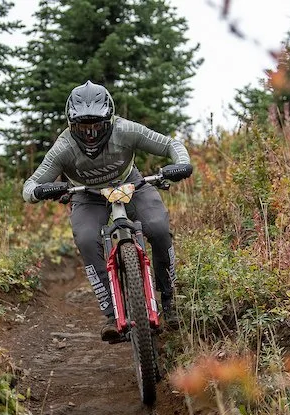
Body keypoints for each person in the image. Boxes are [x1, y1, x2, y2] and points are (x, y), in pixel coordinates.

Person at [22, 81, 193, 343]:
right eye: (82, 127)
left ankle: (169, 300)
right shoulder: (63, 147)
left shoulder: (126, 130)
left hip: (132, 184)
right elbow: (30, 185)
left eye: (97, 126)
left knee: (158, 229)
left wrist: (182, 163)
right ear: (71, 124)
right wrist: (41, 191)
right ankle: (112, 315)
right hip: (87, 195)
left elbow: (171, 144)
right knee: (86, 239)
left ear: (110, 120)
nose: (90, 134)